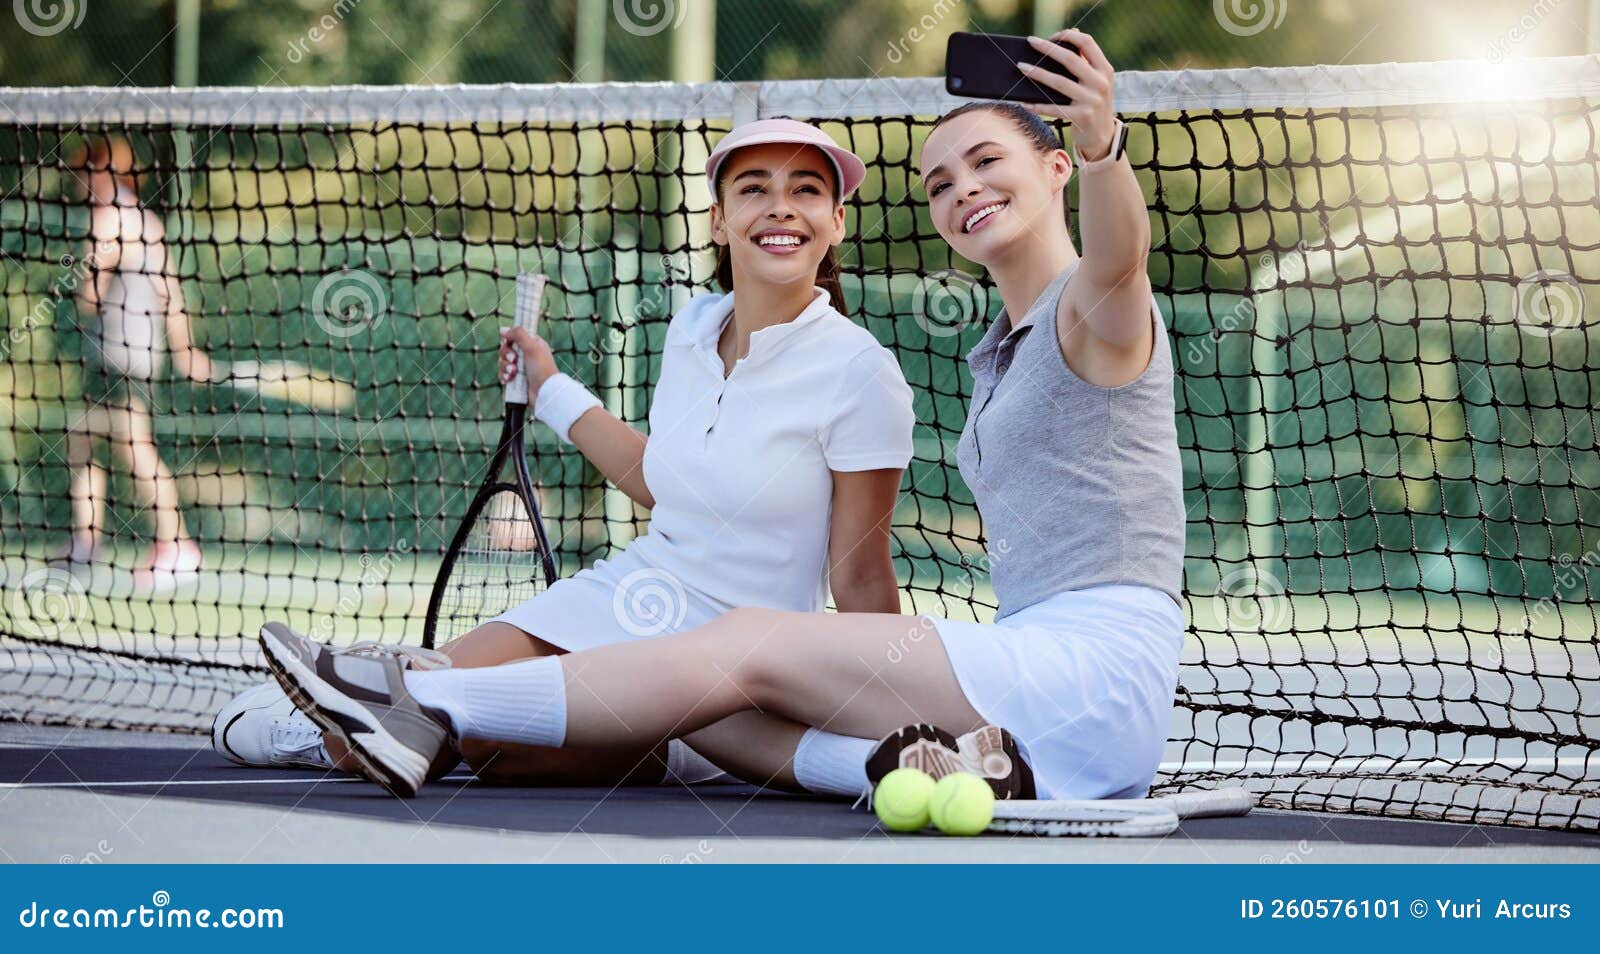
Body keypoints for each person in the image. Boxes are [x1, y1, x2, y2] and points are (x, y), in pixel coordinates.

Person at [258, 29, 1186, 802]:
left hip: (1094, 674)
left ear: (1057, 166)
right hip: (1032, 667)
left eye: (987, 163)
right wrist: (552, 389)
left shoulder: (1090, 311)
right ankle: (941, 769)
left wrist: (1107, 147)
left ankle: (427, 702)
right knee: (724, 704)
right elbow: (660, 475)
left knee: (740, 645)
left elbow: (1118, 261)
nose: (962, 190)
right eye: (939, 182)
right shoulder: (1000, 351)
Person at [217, 120, 919, 790]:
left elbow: (858, 572)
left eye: (805, 190)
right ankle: (339, 733)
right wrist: (549, 387)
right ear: (719, 220)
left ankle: (686, 742)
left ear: (836, 223)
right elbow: (660, 482)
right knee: (426, 702)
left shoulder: (860, 372)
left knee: (489, 742)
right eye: (754, 188)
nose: (780, 208)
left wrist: (899, 705)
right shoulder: (692, 327)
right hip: (628, 592)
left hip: (737, 651)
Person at [51, 135, 215, 592]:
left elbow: (89, 289)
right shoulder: (150, 221)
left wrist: (71, 263)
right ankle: (85, 544)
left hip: (118, 356)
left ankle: (176, 545)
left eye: (86, 171)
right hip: (137, 356)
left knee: (136, 452)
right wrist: (185, 352)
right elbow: (171, 295)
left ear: (103, 172)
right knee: (81, 443)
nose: (79, 180)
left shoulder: (108, 219)